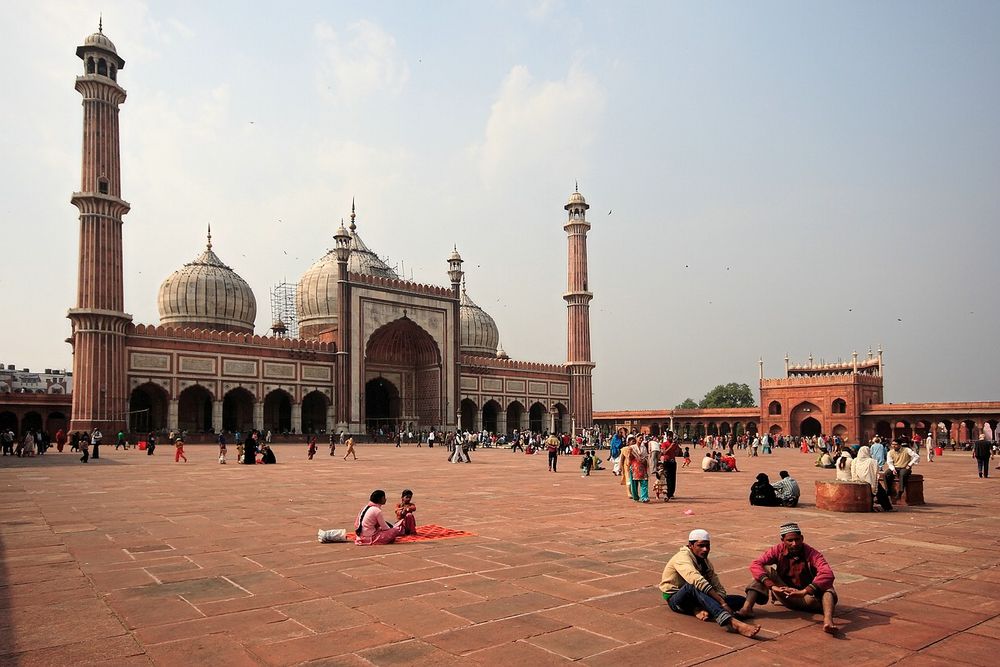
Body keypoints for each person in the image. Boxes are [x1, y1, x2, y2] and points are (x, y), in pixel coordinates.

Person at [739, 522, 839, 634]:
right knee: (764, 571)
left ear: (802, 538)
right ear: (783, 540)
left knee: (828, 588)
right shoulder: (777, 550)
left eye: (797, 539)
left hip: (808, 598)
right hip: (784, 594)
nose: (794, 543)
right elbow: (756, 564)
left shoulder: (812, 553)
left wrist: (804, 591)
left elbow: (827, 573)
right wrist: (772, 586)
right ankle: (746, 609)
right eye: (790, 541)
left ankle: (828, 620)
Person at [659, 529, 761, 638]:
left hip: (698, 598)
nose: (705, 549)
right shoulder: (681, 558)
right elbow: (696, 580)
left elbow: (717, 586)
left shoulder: (705, 562)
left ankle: (701, 609)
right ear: (690, 545)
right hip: (677, 600)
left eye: (708, 546)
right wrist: (722, 603)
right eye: (701, 546)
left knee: (741, 601)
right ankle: (732, 622)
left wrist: (720, 598)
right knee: (692, 586)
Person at [851, 446, 892, 511]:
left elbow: (853, 472)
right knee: (881, 492)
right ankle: (887, 508)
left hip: (858, 481)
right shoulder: (872, 461)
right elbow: (876, 472)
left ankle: (871, 507)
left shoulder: (855, 460)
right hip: (870, 481)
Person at [660, 433, 680, 500]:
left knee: (673, 478)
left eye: (671, 437)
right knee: (667, 477)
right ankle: (667, 493)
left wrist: (677, 447)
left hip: (673, 461)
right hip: (667, 462)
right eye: (669, 436)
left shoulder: (674, 444)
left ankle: (671, 493)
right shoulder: (664, 444)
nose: (670, 438)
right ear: (667, 437)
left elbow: (677, 453)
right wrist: (671, 446)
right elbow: (664, 452)